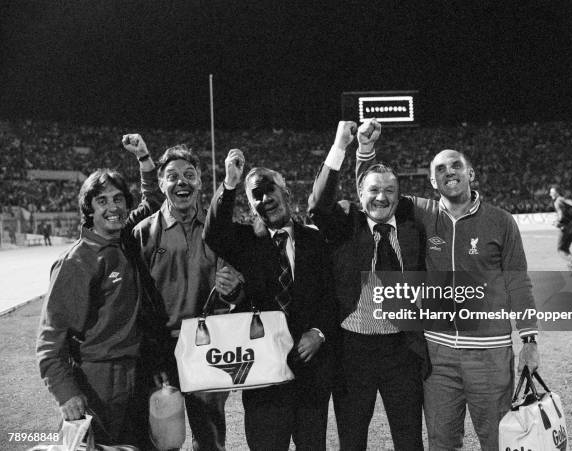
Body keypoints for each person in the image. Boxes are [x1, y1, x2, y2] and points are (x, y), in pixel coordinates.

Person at [357, 119, 540, 451]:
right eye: (440, 168)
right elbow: (376, 189)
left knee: (497, 440)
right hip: (437, 355)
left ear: (471, 174)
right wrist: (365, 150)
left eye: (457, 165)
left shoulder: (501, 222)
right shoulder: (422, 213)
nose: (449, 171)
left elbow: (518, 282)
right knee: (442, 442)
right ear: (432, 180)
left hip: (490, 353)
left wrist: (529, 340)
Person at [204, 149, 338, 451]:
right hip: (263, 374)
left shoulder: (315, 241)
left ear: (285, 191)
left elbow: (331, 296)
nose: (264, 198)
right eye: (256, 195)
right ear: (251, 205)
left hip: (310, 371)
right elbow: (213, 234)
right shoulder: (245, 242)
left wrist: (319, 333)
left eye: (269, 189)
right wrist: (230, 183)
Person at [308, 121, 429, 450]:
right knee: (352, 441)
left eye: (390, 191)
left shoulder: (411, 228)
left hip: (402, 350)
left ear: (399, 196)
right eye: (373, 190)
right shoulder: (347, 223)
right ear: (359, 196)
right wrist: (342, 148)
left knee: (409, 440)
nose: (381, 196)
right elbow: (318, 206)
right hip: (352, 352)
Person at [36, 134, 161, 447]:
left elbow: (155, 204)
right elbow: (51, 338)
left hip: (137, 373)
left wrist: (144, 159)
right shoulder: (76, 262)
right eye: (102, 201)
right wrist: (66, 393)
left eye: (118, 199)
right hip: (98, 381)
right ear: (88, 209)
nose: (113, 207)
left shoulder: (125, 239)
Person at [132, 144, 243, 451]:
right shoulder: (142, 234)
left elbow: (240, 292)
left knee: (210, 442)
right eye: (172, 176)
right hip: (159, 352)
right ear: (162, 185)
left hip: (208, 349)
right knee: (163, 441)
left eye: (189, 175)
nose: (182, 182)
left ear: (199, 182)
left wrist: (234, 288)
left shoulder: (220, 230)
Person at [549, 185, 572, 274]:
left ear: (557, 192)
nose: (550, 194)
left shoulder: (558, 201)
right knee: (566, 248)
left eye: (552, 192)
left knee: (560, 249)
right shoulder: (565, 199)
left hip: (565, 228)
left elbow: (561, 216)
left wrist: (557, 222)